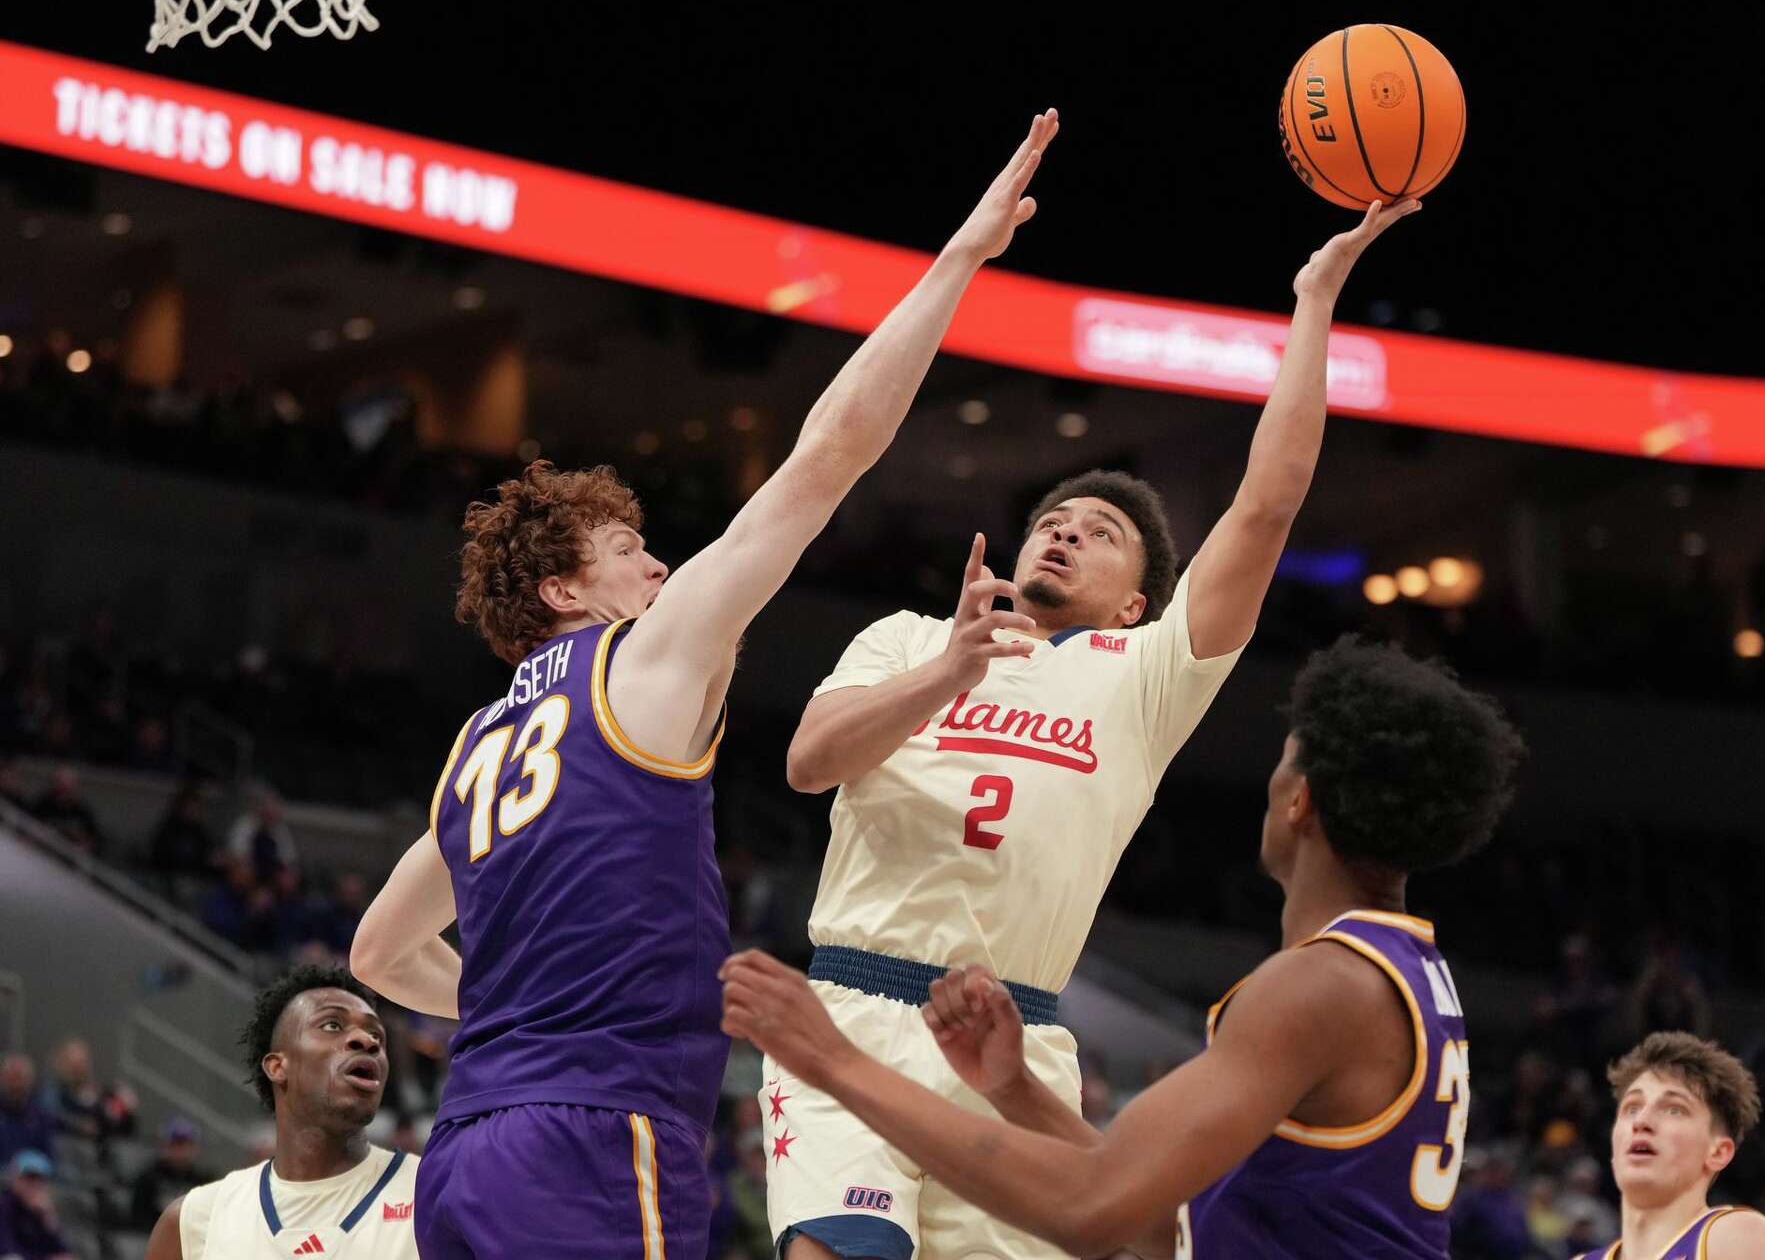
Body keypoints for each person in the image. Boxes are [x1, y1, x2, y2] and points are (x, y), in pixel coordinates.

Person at [350, 109, 1063, 1260]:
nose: (658, 563)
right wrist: (960, 261)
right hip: (595, 1133)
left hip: (465, 1148)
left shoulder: (480, 740)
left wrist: (515, 1020)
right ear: (565, 591)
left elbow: (380, 954)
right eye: (626, 547)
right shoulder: (647, 657)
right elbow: (830, 454)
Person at [767, 197, 1420, 1260]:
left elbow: (1268, 502)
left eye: (1100, 532)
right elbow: (806, 763)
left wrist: (1313, 302)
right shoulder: (907, 636)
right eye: (1053, 521)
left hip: (1011, 1042)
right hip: (854, 1006)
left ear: (1134, 603)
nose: (1066, 530)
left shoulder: (1147, 674)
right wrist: (949, 671)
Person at [723, 635, 1523, 1259]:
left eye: (1282, 766)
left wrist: (833, 1060)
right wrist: (1019, 1094)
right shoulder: (1408, 971)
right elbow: (1165, 1225)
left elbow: (1090, 1210)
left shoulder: (1318, 988)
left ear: (1299, 802)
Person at [143, 965, 418, 1260]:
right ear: (277, 1066)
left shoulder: (431, 1191)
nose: (367, 1041)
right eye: (332, 1025)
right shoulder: (192, 1223)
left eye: (376, 1034)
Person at [1571, 1031, 1765, 1260]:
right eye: (1632, 1108)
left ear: (1718, 1152)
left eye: (1674, 1110)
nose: (1641, 1121)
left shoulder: (1738, 1239)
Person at [127, 1118, 213, 1231]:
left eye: (185, 1144)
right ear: (164, 1145)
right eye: (175, 1144)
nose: (180, 1150)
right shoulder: (148, 1178)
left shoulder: (203, 1182)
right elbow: (137, 1216)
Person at [1, 1150, 72, 1260]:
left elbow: (61, 1251)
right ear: (16, 1179)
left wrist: (49, 1217)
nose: (35, 1184)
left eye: (40, 1179)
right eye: (30, 1178)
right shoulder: (4, 1204)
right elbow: (6, 1249)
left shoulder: (40, 1208)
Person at [0, 1057, 53, 1170]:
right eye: (11, 1078)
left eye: (21, 1079)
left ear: (30, 1082)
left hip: (30, 1179)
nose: (16, 1085)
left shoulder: (40, 1117)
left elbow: (47, 1158)